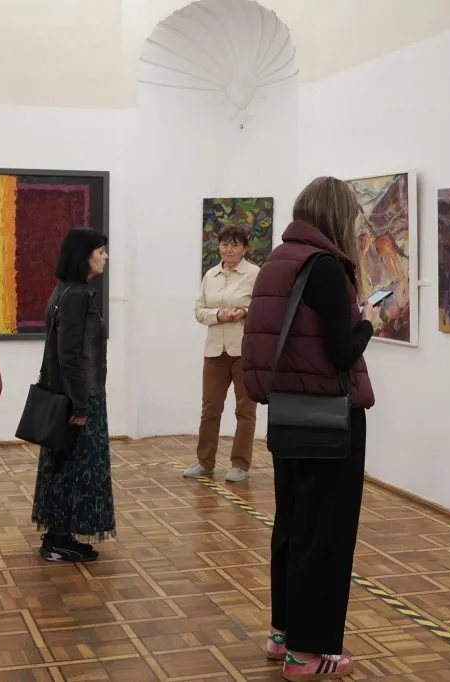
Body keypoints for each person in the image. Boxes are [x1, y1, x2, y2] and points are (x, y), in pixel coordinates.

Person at [241, 177, 379, 681]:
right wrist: (368, 321)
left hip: (288, 415)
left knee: (292, 526)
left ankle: (282, 633)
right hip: (330, 421)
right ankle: (308, 653)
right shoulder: (325, 268)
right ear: (337, 217)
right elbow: (342, 351)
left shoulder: (277, 261)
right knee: (326, 536)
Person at [31, 227, 116, 562]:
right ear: (84, 256)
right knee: (76, 469)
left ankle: (60, 536)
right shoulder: (77, 295)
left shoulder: (64, 291)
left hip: (68, 394)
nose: (105, 256)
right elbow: (70, 355)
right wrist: (81, 405)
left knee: (64, 467)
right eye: (100, 251)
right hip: (80, 397)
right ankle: (57, 540)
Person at [184, 224, 260, 483]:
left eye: (234, 245)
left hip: (244, 351)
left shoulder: (254, 274)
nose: (228, 249)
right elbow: (199, 311)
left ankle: (240, 464)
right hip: (215, 351)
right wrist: (219, 314)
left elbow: (262, 307)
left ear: (244, 248)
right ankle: (205, 462)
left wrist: (244, 312)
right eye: (224, 244)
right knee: (210, 409)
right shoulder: (211, 275)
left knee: (245, 410)